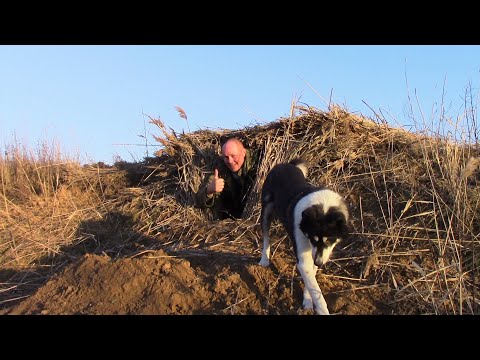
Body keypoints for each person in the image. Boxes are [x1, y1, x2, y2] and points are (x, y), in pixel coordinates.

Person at [196, 137, 258, 220]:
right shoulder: (220, 170)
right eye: (226, 157)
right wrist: (209, 191)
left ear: (244, 152)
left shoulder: (258, 165)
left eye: (233, 156)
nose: (230, 161)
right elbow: (199, 201)